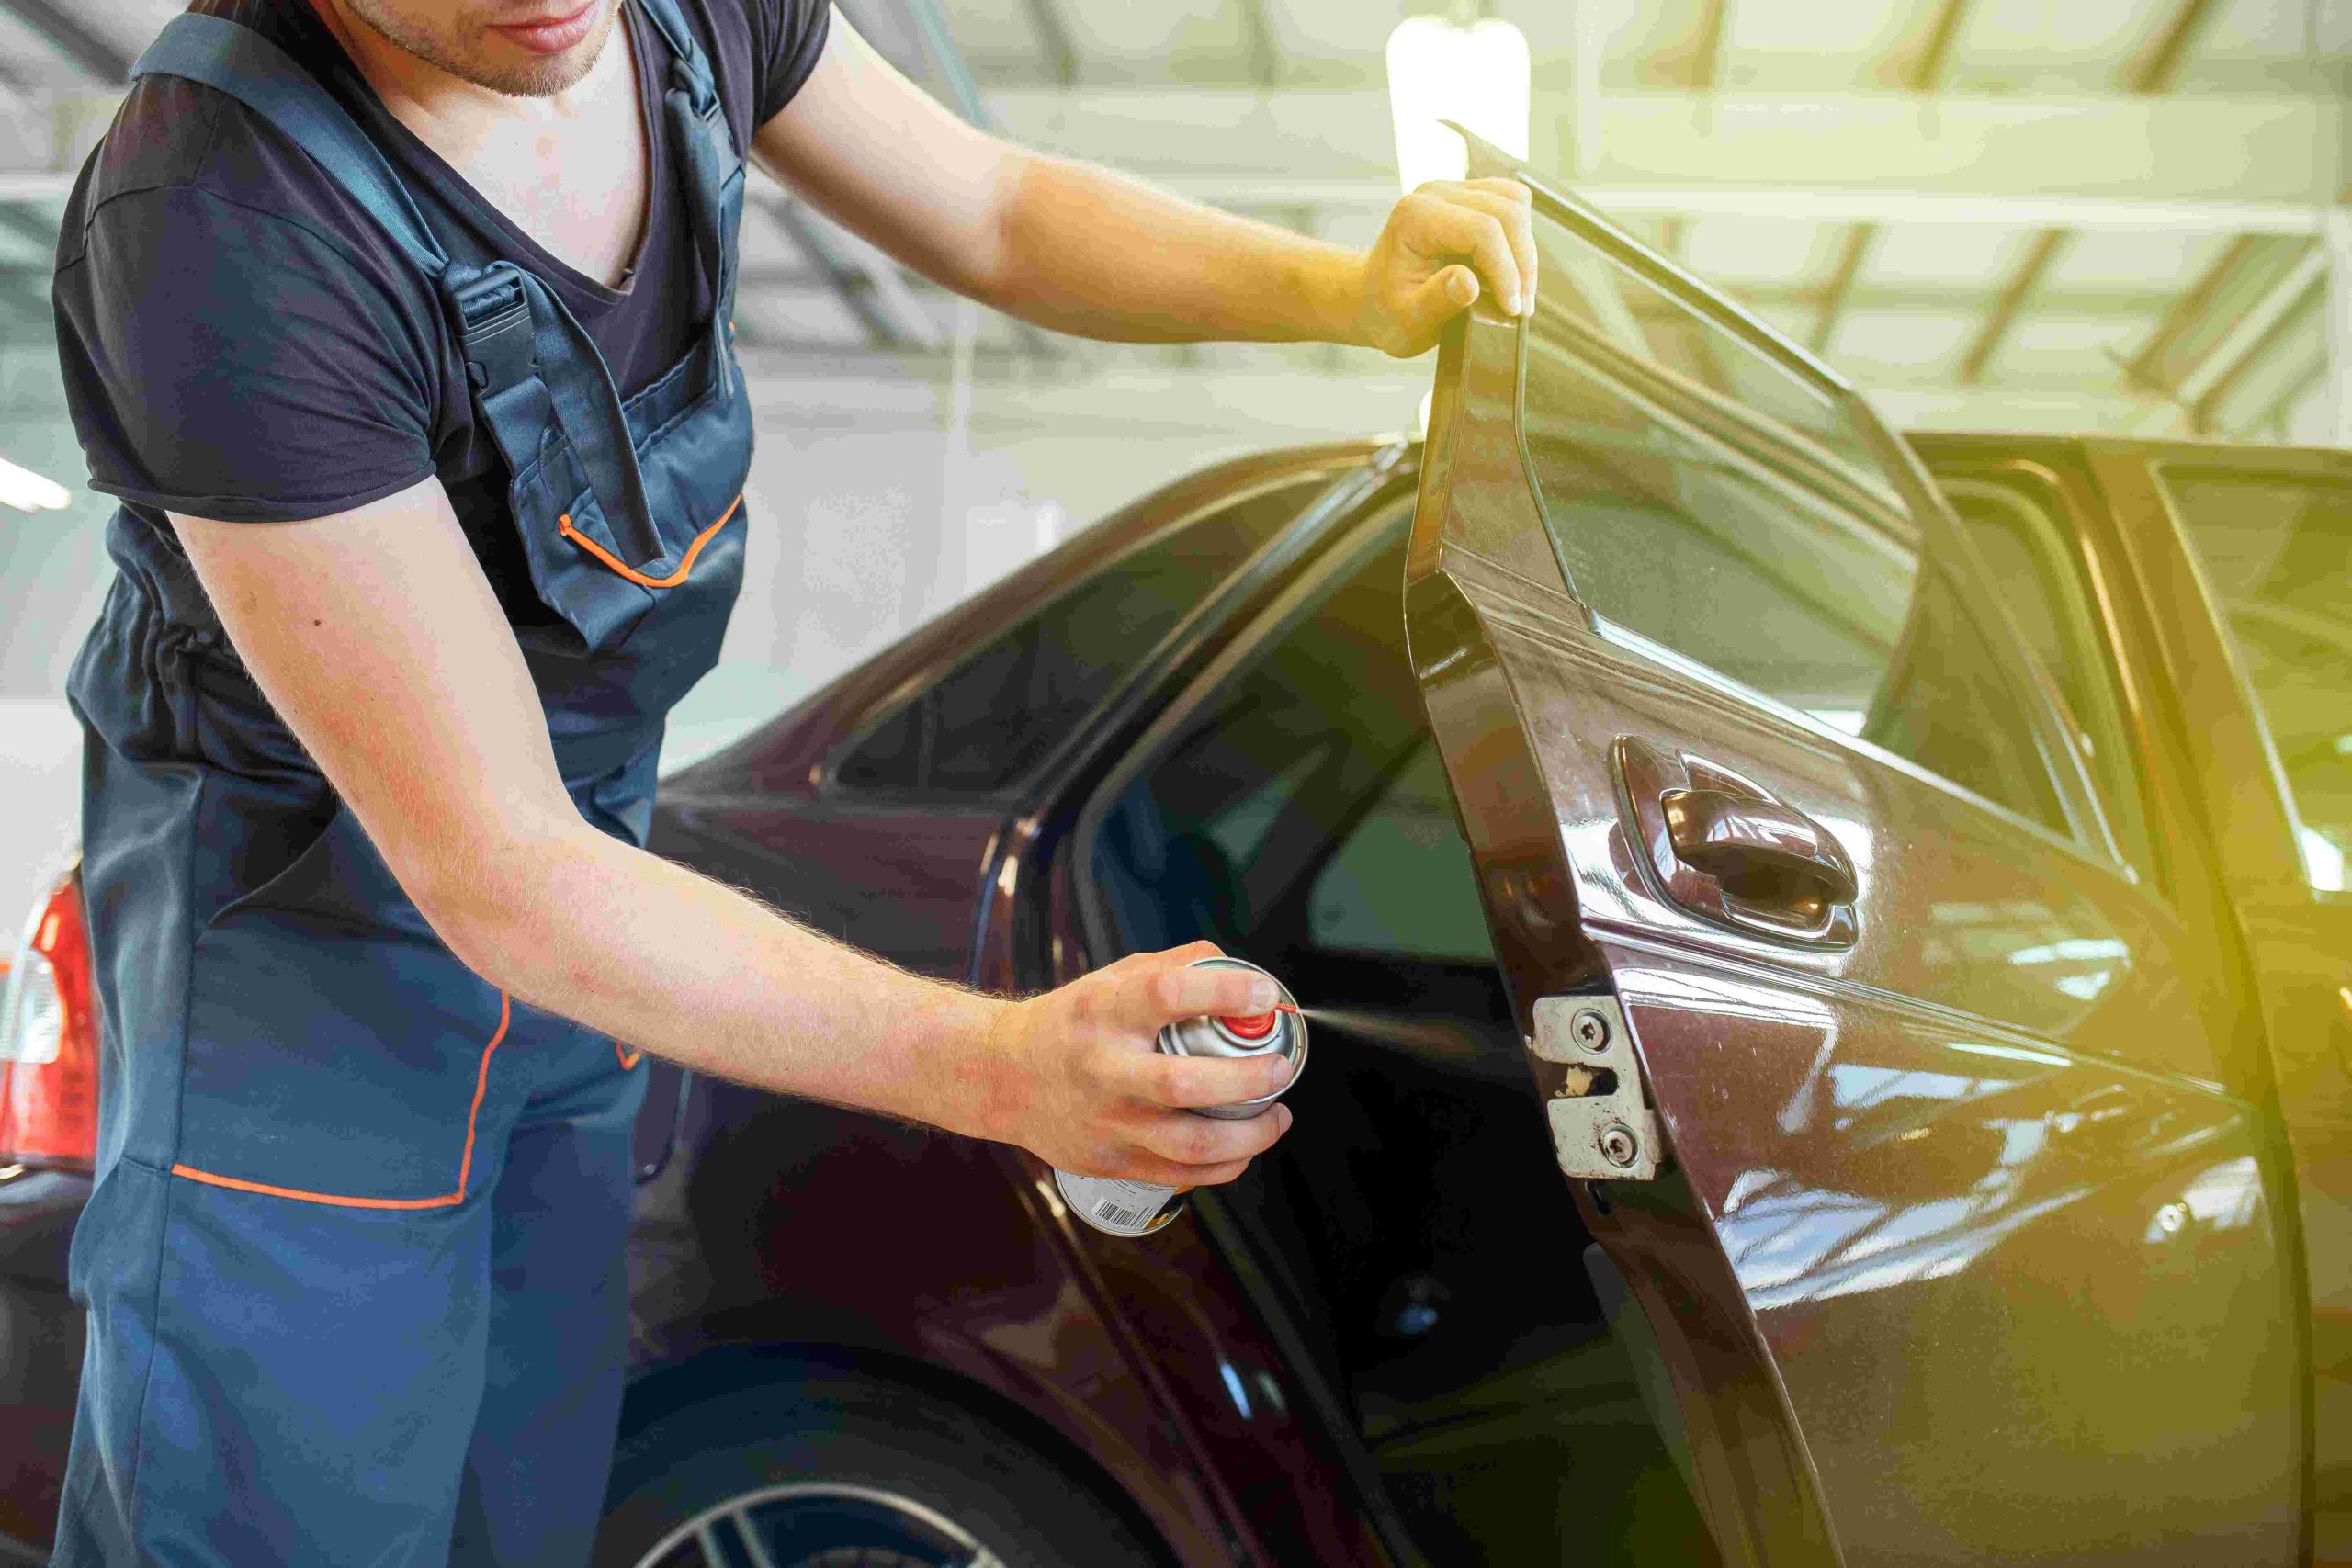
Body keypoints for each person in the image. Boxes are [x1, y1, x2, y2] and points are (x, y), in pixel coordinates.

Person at [46, 0, 1535, 1560]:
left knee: (523, 1494)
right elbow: (500, 868)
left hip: (582, 900)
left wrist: (1344, 292)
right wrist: (1006, 1070)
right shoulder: (225, 222)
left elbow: (994, 209)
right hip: (310, 950)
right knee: (293, 1516)